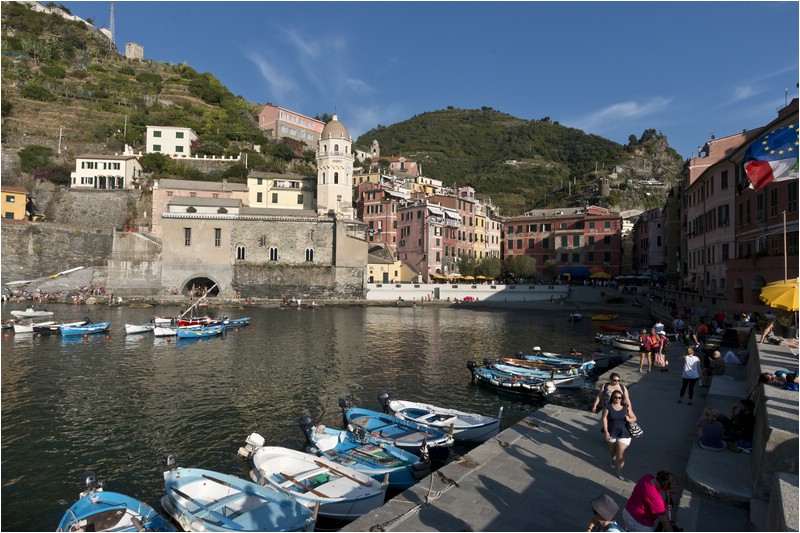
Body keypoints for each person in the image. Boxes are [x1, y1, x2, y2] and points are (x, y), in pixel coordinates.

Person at [602, 389, 636, 481]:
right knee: (612, 451)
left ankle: (619, 472)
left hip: (624, 432)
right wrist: (606, 431)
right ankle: (612, 460)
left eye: (620, 398)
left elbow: (634, 418)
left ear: (622, 398)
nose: (617, 399)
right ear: (612, 397)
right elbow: (604, 418)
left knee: (621, 454)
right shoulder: (608, 407)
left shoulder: (626, 407)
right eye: (616, 397)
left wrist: (629, 419)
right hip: (611, 431)